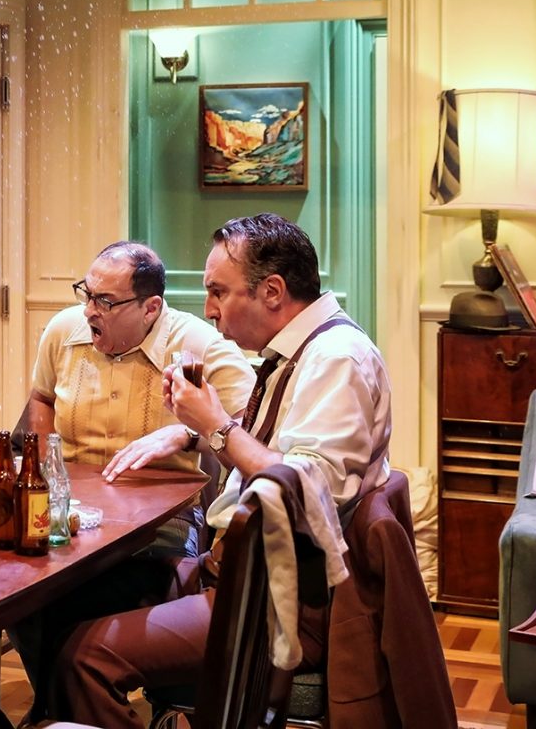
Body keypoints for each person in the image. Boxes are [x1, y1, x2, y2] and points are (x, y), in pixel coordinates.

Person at [54, 213, 392, 728]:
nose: (208, 309)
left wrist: (213, 426)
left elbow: (309, 492)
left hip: (279, 602)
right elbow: (277, 457)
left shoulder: (336, 359)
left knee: (86, 657)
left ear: (273, 291)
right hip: (239, 572)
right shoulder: (297, 354)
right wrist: (196, 427)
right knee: (67, 599)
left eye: (218, 291)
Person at [14, 240, 255, 722]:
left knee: (87, 599)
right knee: (19, 594)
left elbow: (253, 416)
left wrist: (186, 432)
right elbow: (40, 398)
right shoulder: (64, 331)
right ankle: (65, 707)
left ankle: (72, 705)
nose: (88, 311)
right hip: (72, 511)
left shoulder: (195, 345)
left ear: (151, 308)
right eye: (87, 294)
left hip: (160, 523)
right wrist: (43, 465)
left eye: (105, 301)